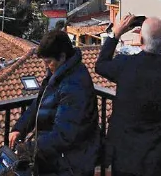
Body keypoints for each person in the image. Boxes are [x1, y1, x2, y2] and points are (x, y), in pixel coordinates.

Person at [94, 13, 161, 176]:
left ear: (141, 39)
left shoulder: (124, 64)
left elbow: (101, 65)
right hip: (158, 153)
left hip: (125, 153)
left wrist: (115, 34)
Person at [8, 28, 99, 176]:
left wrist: (29, 148)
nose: (45, 66)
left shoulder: (75, 86)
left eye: (48, 62)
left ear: (62, 57)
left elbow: (64, 135)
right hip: (58, 159)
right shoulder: (59, 73)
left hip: (70, 164)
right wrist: (20, 128)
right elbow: (40, 103)